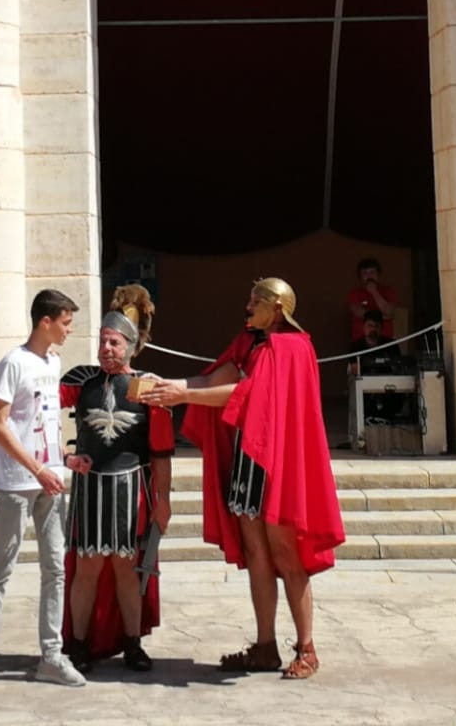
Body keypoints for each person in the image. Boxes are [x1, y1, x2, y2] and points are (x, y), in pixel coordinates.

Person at [142, 278, 343, 680]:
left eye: (255, 302)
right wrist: (169, 387)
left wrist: (185, 397)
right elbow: (214, 380)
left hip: (278, 463)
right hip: (246, 459)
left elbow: (250, 394)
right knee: (256, 553)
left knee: (285, 551)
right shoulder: (249, 342)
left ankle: (306, 647)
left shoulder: (294, 347)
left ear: (277, 307)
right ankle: (265, 646)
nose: (248, 308)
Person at [0, 289, 86, 695]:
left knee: (55, 569)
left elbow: (44, 423)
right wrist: (37, 469)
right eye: (65, 322)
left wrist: (64, 459)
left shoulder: (53, 362)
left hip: (51, 482)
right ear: (45, 322)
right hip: (18, 482)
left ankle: (51, 657)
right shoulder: (13, 363)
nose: (69, 330)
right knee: (1, 571)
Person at [60, 284, 173, 674]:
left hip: (131, 492)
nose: (106, 349)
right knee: (87, 567)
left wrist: (163, 500)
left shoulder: (147, 387)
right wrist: (62, 456)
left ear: (130, 345)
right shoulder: (81, 382)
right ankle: (78, 644)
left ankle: (132, 642)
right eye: (102, 341)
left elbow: (160, 451)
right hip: (90, 490)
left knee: (128, 568)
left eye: (114, 342)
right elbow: (38, 408)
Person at [347, 257, 397, 343]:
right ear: (360, 276)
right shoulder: (354, 293)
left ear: (378, 274)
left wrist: (374, 292)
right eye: (365, 273)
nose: (369, 276)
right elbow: (357, 312)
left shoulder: (388, 291)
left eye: (372, 272)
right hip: (361, 341)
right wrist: (383, 316)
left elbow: (389, 312)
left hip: (384, 340)